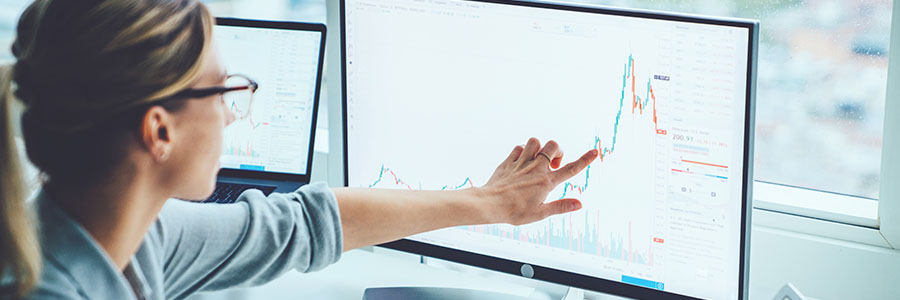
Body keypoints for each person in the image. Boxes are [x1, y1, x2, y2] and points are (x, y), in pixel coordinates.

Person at [0, 0, 599, 299]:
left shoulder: (130, 236)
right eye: (226, 91)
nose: (235, 111)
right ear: (159, 132)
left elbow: (302, 225)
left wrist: (488, 203)